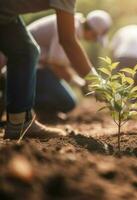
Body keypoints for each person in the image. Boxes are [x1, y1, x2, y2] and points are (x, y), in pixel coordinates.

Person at [0, 0, 99, 139]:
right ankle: (9, 97)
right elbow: (67, 44)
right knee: (67, 102)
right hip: (31, 69)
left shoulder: (74, 21)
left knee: (26, 51)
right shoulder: (74, 24)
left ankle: (19, 123)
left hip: (6, 16)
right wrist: (97, 83)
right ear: (93, 31)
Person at [27, 10, 111, 120]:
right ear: (92, 32)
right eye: (95, 38)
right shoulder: (69, 28)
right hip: (28, 68)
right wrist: (79, 83)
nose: (93, 41)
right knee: (67, 102)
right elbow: (56, 64)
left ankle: (41, 112)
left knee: (67, 101)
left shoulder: (73, 24)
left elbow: (58, 63)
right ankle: (26, 105)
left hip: (36, 68)